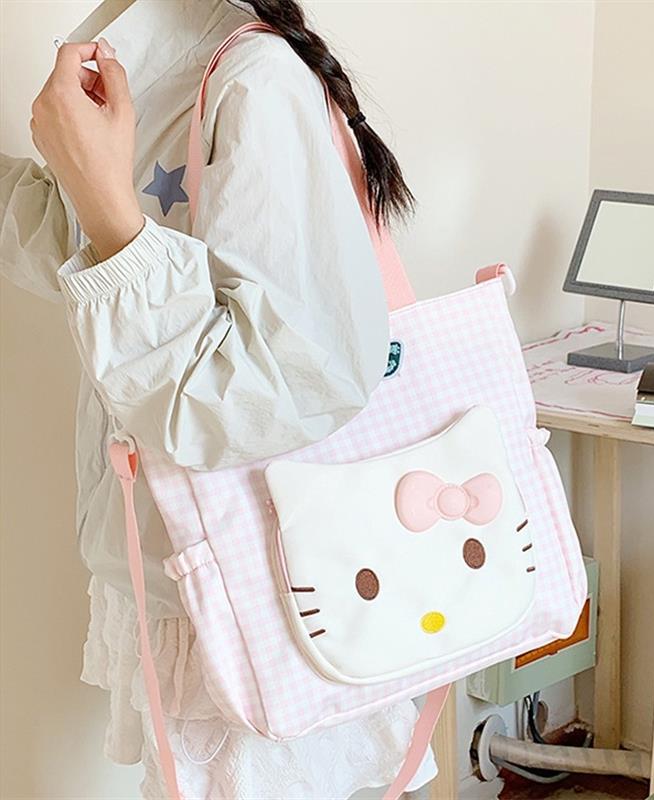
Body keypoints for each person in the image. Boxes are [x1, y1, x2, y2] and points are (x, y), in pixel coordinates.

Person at [0, 1, 436, 796]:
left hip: (251, 586)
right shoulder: (146, 55)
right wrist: (86, 189)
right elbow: (69, 249)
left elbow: (278, 386)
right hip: (188, 566)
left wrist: (108, 208)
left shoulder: (253, 80)